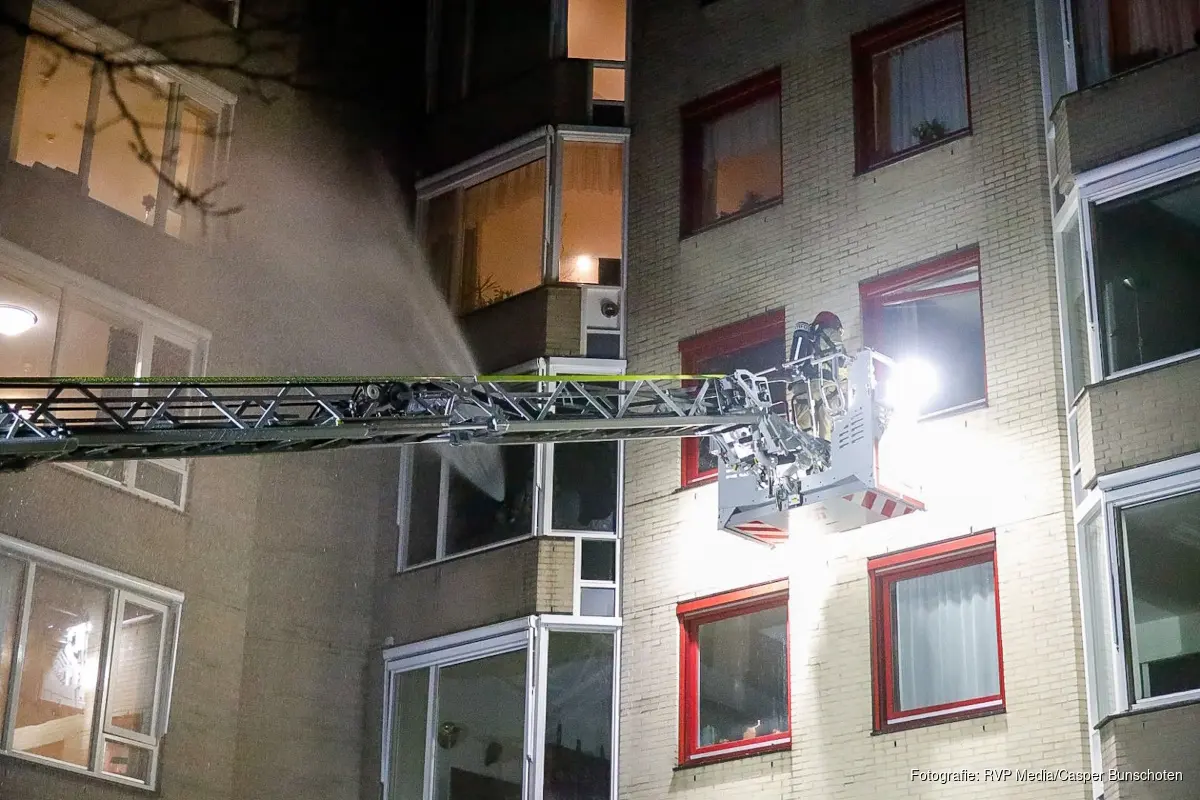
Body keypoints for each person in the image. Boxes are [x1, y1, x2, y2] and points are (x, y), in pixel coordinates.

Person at [788, 311, 847, 440]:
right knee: (827, 436)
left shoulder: (806, 338)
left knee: (806, 436)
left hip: (802, 391)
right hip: (824, 387)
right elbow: (842, 361)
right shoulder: (831, 333)